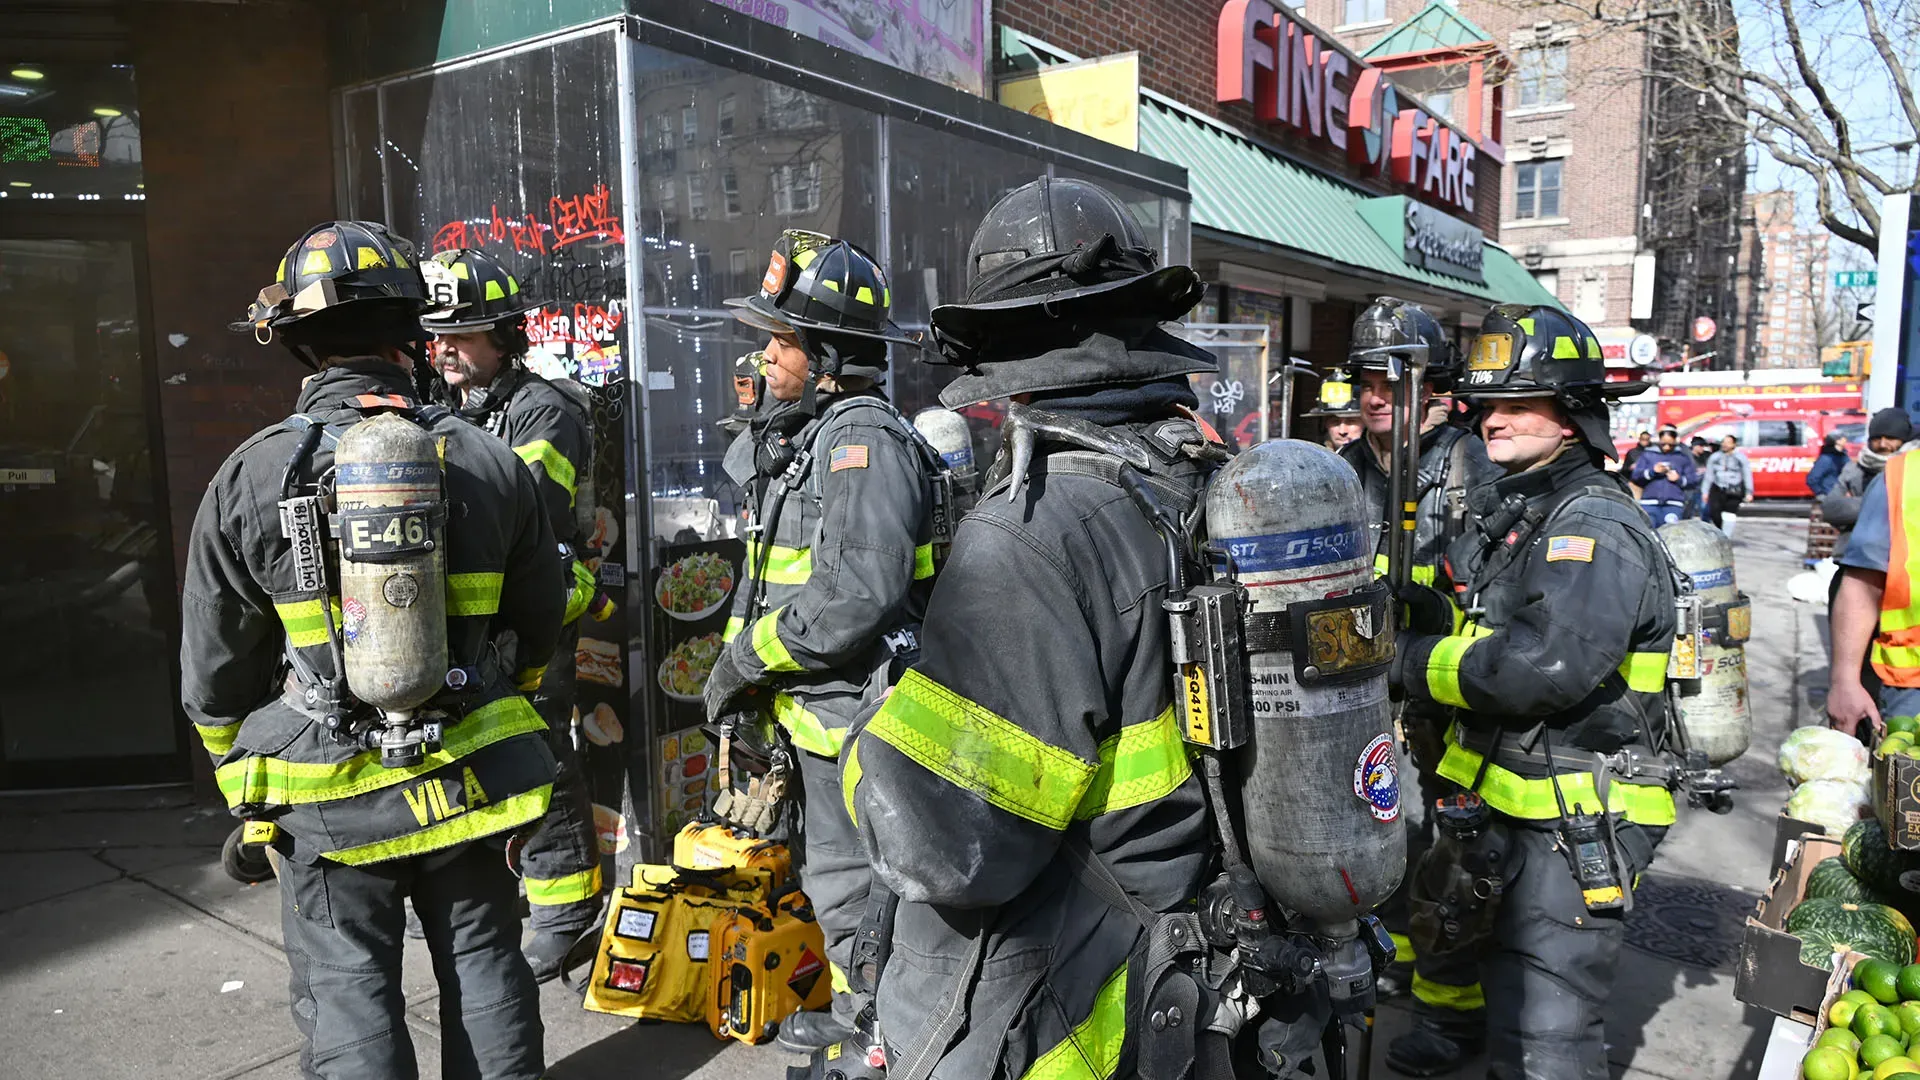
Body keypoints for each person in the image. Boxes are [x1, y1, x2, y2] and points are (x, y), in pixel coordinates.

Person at [840, 176, 1218, 1078]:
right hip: (1195, 974)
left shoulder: (1033, 531)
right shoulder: (1198, 481)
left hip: (1071, 998)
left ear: (999, 350)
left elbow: (945, 846)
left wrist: (875, 722)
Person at [183, 221, 561, 1078]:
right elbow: (539, 620)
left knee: (349, 993)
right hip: (469, 783)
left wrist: (243, 787)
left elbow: (214, 668)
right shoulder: (490, 459)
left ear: (294, 340)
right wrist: (507, 694)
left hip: (328, 801)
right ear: (412, 330)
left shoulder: (253, 473)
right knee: (489, 973)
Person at [1387, 303, 1675, 1079]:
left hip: (1576, 816)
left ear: (1574, 415)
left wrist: (1413, 659)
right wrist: (1437, 613)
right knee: (1482, 973)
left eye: (1518, 406)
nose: (1492, 422)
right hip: (1513, 799)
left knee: (1544, 1034)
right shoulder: (1527, 510)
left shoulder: (1593, 528)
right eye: (1487, 407)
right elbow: (1501, 624)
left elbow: (1540, 669)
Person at [700, 228, 936, 1053]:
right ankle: (867, 1020)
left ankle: (883, 1044)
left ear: (830, 357)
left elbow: (852, 599)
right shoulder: (816, 440)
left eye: (783, 341)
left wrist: (742, 664)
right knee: (843, 896)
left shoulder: (861, 443)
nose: (765, 357)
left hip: (858, 729)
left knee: (866, 900)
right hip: (820, 721)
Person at [420, 247, 607, 980]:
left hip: (532, 609)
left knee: (544, 757)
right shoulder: (453, 407)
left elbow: (524, 516)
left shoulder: (544, 410)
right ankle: (492, 885)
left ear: (503, 336)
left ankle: (568, 911)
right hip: (468, 614)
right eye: (437, 335)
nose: (445, 349)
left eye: (461, 335)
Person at [1824, 408, 1914, 556]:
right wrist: (1887, 505)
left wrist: (1855, 506)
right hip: (1854, 556)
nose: (1883, 444)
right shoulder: (1854, 468)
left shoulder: (1913, 468)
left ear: (1904, 440)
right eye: (1877, 438)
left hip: (1902, 560)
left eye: (1890, 438)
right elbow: (1831, 509)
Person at [1629, 424, 1698, 527]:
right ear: (1659, 440)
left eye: (1670, 444)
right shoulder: (1648, 455)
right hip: (1649, 503)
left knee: (1671, 535)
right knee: (1649, 533)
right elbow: (1636, 476)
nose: (1666, 447)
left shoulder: (1682, 457)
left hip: (1674, 504)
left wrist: (1679, 479)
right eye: (1664, 444)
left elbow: (1693, 480)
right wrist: (1652, 471)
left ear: (1675, 441)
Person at [1704, 433, 1753, 535]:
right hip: (1718, 487)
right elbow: (1709, 475)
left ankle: (1726, 536)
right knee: (1714, 513)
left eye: (1728, 443)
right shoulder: (1715, 457)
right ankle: (1721, 531)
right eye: (1723, 442)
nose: (1725, 445)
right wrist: (1705, 491)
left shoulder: (1740, 458)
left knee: (1729, 514)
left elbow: (1747, 474)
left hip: (1734, 489)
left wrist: (1749, 491)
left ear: (1734, 445)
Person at [1807, 432, 1850, 497]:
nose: (1846, 439)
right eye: (1843, 438)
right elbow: (1812, 479)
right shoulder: (1826, 459)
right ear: (1837, 441)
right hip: (1830, 496)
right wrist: (1820, 494)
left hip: (1842, 496)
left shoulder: (1844, 456)